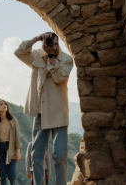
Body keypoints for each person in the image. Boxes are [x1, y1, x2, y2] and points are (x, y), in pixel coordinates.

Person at [14, 32, 73, 185]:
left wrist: (52, 57)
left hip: (59, 112)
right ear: (43, 44)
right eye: (49, 43)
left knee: (60, 155)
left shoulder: (66, 59)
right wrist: (36, 39)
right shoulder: (36, 56)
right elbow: (19, 52)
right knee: (36, 155)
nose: (53, 46)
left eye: (55, 43)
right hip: (41, 114)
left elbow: (59, 77)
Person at [0, 100, 22, 185]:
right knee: (2, 177)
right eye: (1, 104)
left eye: (5, 104)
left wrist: (18, 152)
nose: (4, 105)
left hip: (11, 149)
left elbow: (17, 137)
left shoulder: (13, 120)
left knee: (11, 175)